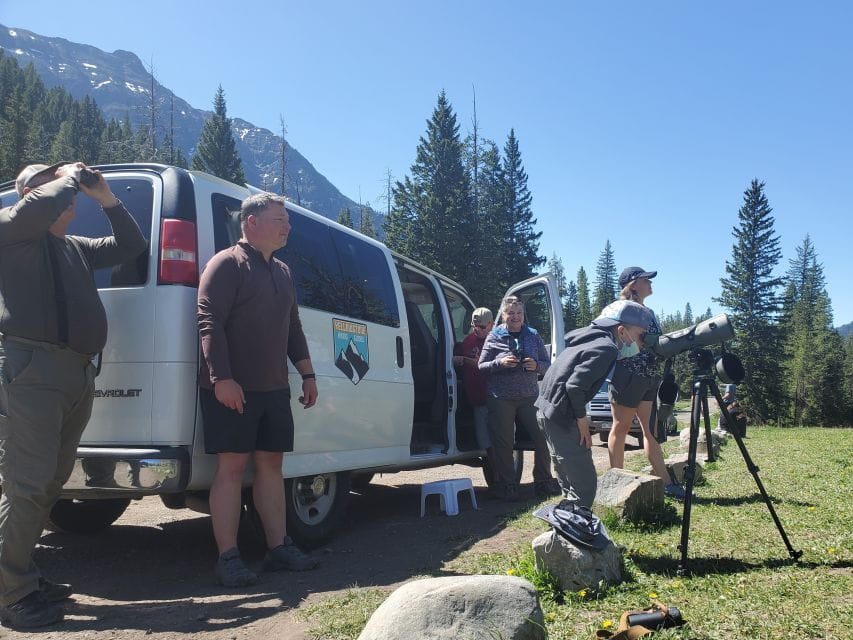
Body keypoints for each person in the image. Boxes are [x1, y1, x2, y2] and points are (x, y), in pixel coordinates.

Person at [0, 162, 146, 628]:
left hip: (75, 373)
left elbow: (132, 247)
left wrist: (106, 198)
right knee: (28, 481)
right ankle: (9, 593)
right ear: (27, 196)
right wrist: (66, 176)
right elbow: (34, 208)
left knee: (51, 481)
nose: (68, 199)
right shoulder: (12, 234)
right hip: (32, 370)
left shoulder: (75, 248)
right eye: (53, 190)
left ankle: (22, 573)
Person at [198, 193, 320, 588]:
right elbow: (208, 322)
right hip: (234, 388)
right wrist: (221, 379)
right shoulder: (226, 263)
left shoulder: (283, 271)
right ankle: (227, 558)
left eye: (287, 221)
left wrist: (307, 374)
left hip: (274, 389)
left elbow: (294, 328)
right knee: (231, 469)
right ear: (250, 222)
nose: (287, 227)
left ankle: (278, 548)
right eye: (279, 220)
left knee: (271, 467)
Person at [535, 300, 652, 508]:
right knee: (585, 485)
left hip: (546, 409)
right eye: (641, 335)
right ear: (622, 330)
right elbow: (574, 387)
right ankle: (577, 527)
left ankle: (566, 525)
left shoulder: (589, 338)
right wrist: (582, 420)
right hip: (563, 413)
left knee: (567, 472)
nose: (642, 342)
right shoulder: (605, 348)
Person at [607, 267, 684, 499]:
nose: (650, 282)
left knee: (650, 432)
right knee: (620, 429)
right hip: (626, 376)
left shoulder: (648, 311)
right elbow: (614, 341)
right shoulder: (617, 309)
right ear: (632, 284)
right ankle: (616, 484)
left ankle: (667, 483)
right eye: (645, 279)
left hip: (648, 377)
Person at [478, 296, 560, 500]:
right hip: (501, 398)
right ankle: (508, 485)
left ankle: (542, 481)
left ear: (523, 315)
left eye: (519, 313)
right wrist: (500, 362)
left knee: (543, 437)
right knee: (504, 444)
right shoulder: (494, 336)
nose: (515, 317)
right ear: (504, 315)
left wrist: (537, 366)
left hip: (529, 396)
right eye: (511, 313)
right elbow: (481, 366)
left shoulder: (532, 335)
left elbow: (548, 364)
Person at [452, 308, 495, 463]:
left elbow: (488, 365)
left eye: (482, 327)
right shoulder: (468, 341)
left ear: (491, 324)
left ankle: (503, 480)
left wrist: (464, 359)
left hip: (495, 401)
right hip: (476, 400)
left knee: (498, 442)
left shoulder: (498, 341)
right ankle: (497, 479)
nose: (477, 330)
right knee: (484, 442)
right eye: (474, 326)